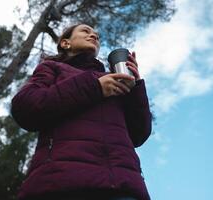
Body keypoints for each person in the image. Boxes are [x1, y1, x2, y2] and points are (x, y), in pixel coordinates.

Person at [11, 24, 152, 200]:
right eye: (86, 31)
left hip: (122, 187)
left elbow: (138, 134)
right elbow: (26, 107)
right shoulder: (53, 68)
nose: (93, 35)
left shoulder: (113, 82)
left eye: (97, 36)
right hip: (60, 185)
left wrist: (136, 88)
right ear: (65, 43)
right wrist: (94, 87)